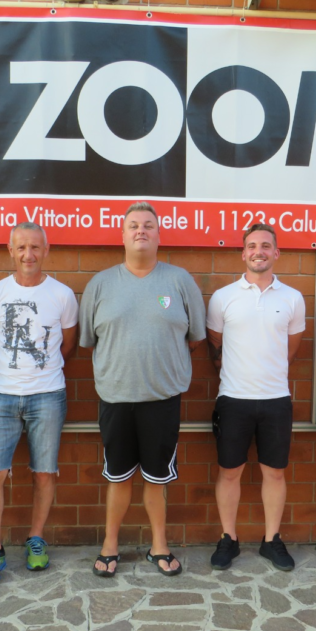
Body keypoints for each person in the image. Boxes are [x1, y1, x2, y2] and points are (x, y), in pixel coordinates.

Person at [79, 202, 205, 577]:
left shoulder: (179, 281)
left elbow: (195, 337)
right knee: (118, 477)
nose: (141, 231)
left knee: (156, 478)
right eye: (133, 225)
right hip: (115, 398)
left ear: (159, 235)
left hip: (162, 400)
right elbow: (89, 341)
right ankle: (110, 545)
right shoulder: (100, 284)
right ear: (122, 235)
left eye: (148, 225)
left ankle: (159, 546)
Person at [0, 222, 78, 585]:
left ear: (46, 250)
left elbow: (68, 346)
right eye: (21, 247)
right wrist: (12, 373)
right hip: (2, 394)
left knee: (44, 472)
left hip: (48, 395)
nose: (28, 254)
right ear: (10, 250)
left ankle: (36, 538)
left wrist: (39, 372)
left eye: (35, 247)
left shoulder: (62, 295)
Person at [206, 224, 305, 571]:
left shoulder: (292, 298)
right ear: (243, 253)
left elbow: (290, 350)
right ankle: (228, 539)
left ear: (276, 253)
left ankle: (271, 540)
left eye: (265, 245)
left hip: (276, 400)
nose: (258, 251)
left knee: (274, 473)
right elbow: (215, 346)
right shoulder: (223, 297)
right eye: (251, 246)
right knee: (229, 472)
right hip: (233, 399)